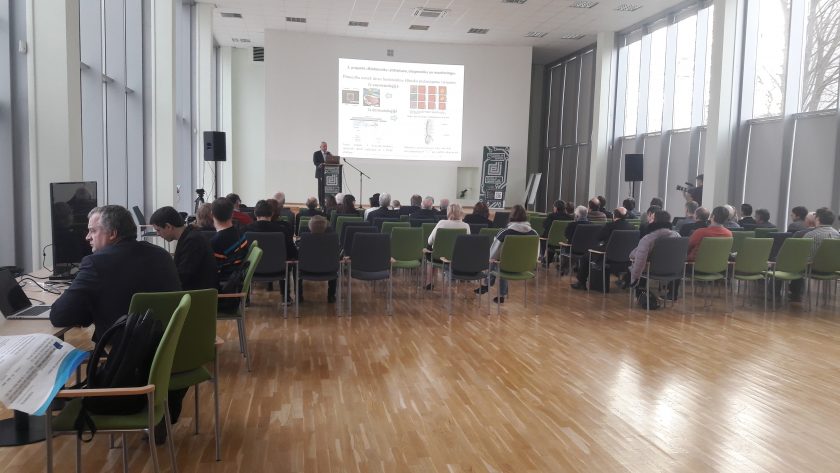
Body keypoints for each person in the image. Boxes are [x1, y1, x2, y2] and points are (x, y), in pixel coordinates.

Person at [50, 205, 181, 341]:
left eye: (93, 231)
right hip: (167, 345)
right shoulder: (162, 255)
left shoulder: (96, 263)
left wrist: (89, 312)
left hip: (121, 349)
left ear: (112, 234)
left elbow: (59, 316)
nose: (87, 237)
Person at [474, 205, 538, 303]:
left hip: (506, 266)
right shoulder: (534, 233)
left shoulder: (505, 232)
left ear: (511, 216)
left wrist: (491, 258)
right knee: (500, 261)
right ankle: (499, 293)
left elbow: (493, 251)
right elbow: (536, 253)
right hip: (525, 267)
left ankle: (487, 285)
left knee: (495, 261)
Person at [150, 206, 218, 291]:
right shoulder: (189, 236)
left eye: (158, 230)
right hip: (195, 291)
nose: (158, 234)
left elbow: (183, 276)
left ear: (168, 226)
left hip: (198, 295)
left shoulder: (192, 241)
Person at [245, 200, 298, 303]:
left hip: (252, 270)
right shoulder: (282, 230)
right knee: (287, 262)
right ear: (272, 213)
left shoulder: (245, 230)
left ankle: (245, 300)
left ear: (255, 213)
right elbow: (292, 252)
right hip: (279, 269)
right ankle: (286, 297)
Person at [571, 207, 633, 290]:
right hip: (627, 259)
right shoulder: (632, 227)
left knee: (585, 257)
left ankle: (581, 282)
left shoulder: (610, 226)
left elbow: (599, 237)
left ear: (614, 216)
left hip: (608, 257)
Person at [787, 208, 840, 301]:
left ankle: (793, 294)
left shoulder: (811, 235)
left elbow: (800, 255)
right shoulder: (837, 235)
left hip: (814, 269)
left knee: (797, 263)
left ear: (817, 219)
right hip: (832, 269)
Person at [627, 210, 680, 287]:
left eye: (652, 219)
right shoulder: (677, 236)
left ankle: (641, 292)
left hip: (652, 270)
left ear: (655, 221)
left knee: (635, 265)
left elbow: (640, 261)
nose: (649, 221)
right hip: (673, 270)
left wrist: (634, 279)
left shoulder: (648, 239)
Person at [425, 203, 471, 289]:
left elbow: (430, 241)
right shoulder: (466, 226)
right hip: (456, 258)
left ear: (448, 212)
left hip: (438, 257)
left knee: (429, 250)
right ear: (461, 212)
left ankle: (429, 282)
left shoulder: (442, 223)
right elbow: (466, 244)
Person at [299, 216, 337, 303]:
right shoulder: (333, 240)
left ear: (310, 227)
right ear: (325, 227)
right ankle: (331, 296)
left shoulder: (304, 238)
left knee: (295, 266)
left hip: (306, 271)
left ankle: (299, 296)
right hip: (328, 271)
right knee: (334, 264)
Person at [210, 197, 249, 280]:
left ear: (212, 214)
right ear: (232, 214)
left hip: (224, 280)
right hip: (237, 275)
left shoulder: (215, 242)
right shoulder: (241, 234)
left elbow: (213, 270)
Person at [313, 141, 331, 205]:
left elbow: (332, 161)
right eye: (324, 146)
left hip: (328, 174)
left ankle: (327, 203)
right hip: (320, 174)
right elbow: (315, 162)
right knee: (321, 189)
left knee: (327, 189)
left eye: (326, 146)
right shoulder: (316, 153)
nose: (325, 147)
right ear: (320, 147)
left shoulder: (329, 154)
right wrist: (320, 164)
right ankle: (321, 204)